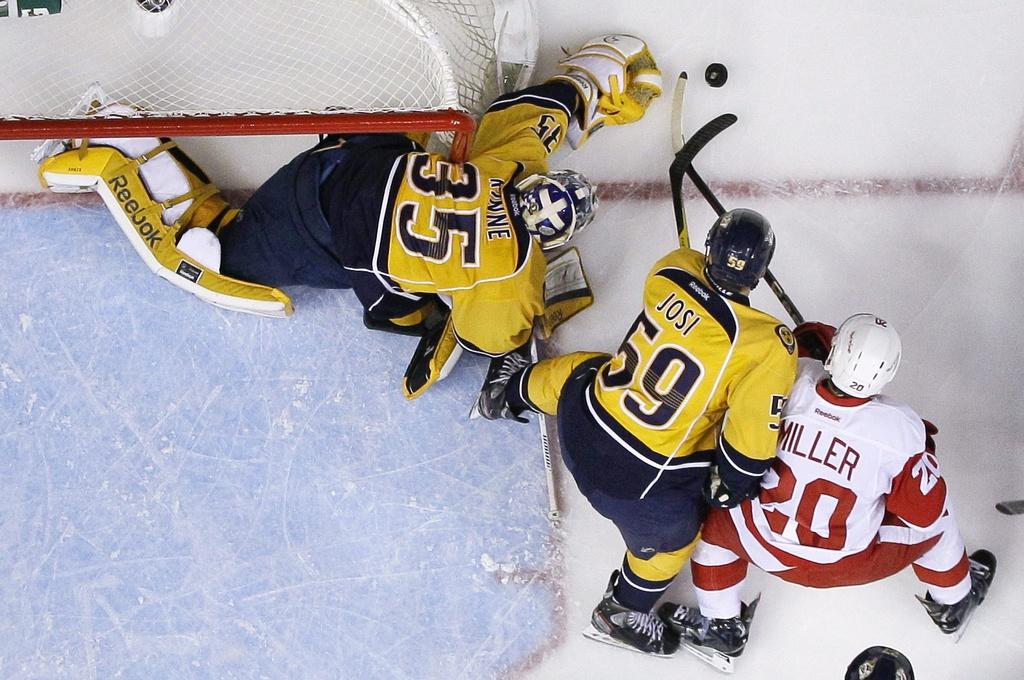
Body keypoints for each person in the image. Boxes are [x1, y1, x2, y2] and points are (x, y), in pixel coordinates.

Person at [37, 34, 663, 397]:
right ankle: (114, 151)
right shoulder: (509, 273)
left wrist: (588, 80)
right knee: (222, 249)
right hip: (318, 220)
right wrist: (438, 330)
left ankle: (126, 136)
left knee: (473, 138)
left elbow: (532, 117)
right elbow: (411, 313)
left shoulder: (514, 173)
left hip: (354, 154)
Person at [478, 208, 798, 656]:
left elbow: (694, 284)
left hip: (580, 423)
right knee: (675, 541)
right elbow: (746, 457)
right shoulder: (769, 347)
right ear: (763, 271)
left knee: (587, 369)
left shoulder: (672, 267)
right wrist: (730, 485)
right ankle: (621, 613)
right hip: (631, 487)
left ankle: (507, 391)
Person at [656, 314, 997, 672]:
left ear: (834, 352)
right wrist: (918, 454)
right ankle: (955, 600)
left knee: (717, 526)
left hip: (764, 543)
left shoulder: (790, 377)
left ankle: (721, 627)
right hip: (846, 561)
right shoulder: (900, 428)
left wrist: (811, 342)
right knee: (938, 522)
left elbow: (790, 350)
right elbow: (923, 512)